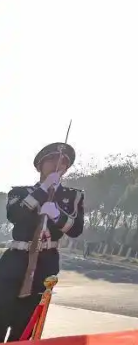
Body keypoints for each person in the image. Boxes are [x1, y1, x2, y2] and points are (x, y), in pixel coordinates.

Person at [0, 143, 83, 342]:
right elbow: (15, 215)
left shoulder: (73, 197)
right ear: (40, 165)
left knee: (28, 321)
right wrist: (43, 189)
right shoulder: (20, 192)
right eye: (53, 159)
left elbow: (75, 230)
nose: (58, 164)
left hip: (46, 262)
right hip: (15, 260)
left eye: (63, 161)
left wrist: (56, 214)